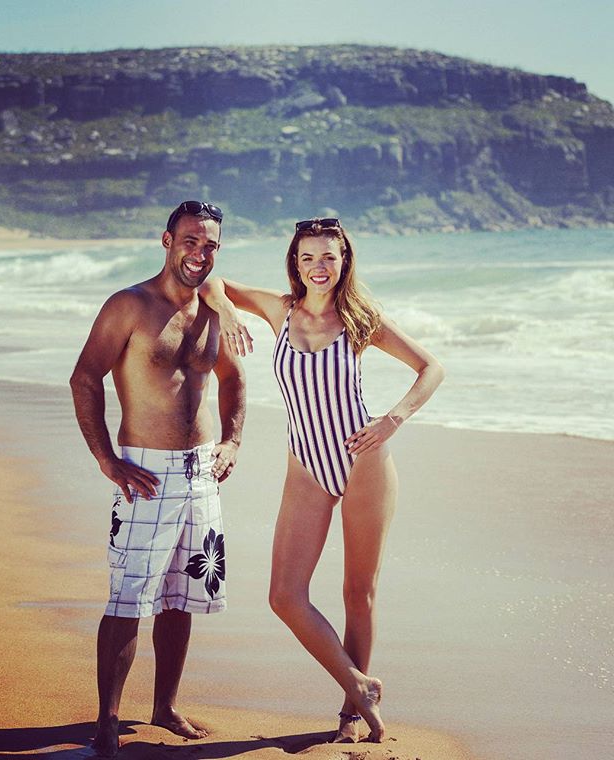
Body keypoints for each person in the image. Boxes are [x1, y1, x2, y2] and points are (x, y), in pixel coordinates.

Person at [200, 217, 444, 743]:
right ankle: (361, 685)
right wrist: (227, 312)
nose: (318, 267)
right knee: (284, 596)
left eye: (329, 257)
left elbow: (431, 368)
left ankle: (352, 716)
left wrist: (392, 420)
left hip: (362, 463)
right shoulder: (279, 310)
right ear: (295, 261)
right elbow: (213, 283)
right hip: (306, 466)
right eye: (308, 257)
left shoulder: (360, 319)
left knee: (358, 591)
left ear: (344, 260)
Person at [70, 201, 245, 757]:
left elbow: (234, 379)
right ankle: (107, 720)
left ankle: (164, 706)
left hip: (201, 473)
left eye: (210, 245)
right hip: (144, 472)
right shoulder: (130, 305)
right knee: (128, 597)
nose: (200, 253)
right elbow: (84, 378)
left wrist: (232, 441)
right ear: (167, 241)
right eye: (190, 241)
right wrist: (106, 459)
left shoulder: (213, 308)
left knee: (180, 596)